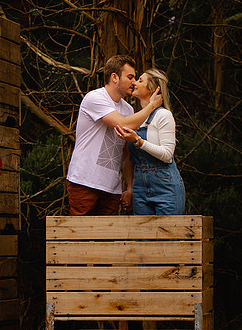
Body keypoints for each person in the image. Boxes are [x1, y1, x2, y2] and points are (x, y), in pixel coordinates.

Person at [66, 55, 163, 215]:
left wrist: (129, 188)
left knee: (108, 239)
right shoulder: (95, 98)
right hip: (84, 182)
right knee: (81, 236)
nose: (134, 82)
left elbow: (126, 154)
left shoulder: (128, 110)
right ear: (114, 77)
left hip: (112, 188)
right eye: (130, 77)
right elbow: (122, 124)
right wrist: (151, 106)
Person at [114, 68, 185, 215]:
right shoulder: (137, 119)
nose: (134, 83)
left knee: (168, 236)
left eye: (140, 80)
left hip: (165, 186)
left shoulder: (163, 115)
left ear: (152, 88)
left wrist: (138, 141)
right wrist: (131, 188)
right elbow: (129, 159)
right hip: (140, 185)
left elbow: (167, 155)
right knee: (143, 238)